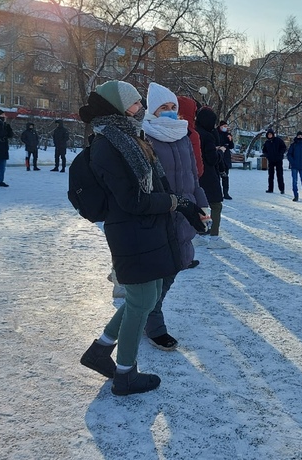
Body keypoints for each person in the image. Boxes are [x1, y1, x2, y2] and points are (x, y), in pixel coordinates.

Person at [77, 80, 201, 396]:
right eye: (133, 104)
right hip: (130, 232)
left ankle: (101, 350)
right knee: (143, 300)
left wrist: (182, 203)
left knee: (144, 295)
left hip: (144, 230)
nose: (139, 108)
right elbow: (134, 200)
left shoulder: (127, 137)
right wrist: (174, 202)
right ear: (116, 107)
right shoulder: (110, 143)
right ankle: (126, 373)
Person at [142, 82, 209, 350]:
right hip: (159, 215)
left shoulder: (183, 136)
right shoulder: (145, 137)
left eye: (173, 107)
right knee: (156, 273)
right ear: (152, 111)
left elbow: (193, 178)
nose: (170, 112)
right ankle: (153, 323)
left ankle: (150, 313)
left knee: (175, 267)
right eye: (163, 108)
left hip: (186, 214)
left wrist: (202, 208)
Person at [196, 106, 231, 249]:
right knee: (216, 205)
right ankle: (214, 237)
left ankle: (198, 233)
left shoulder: (195, 132)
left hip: (197, 174)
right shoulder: (208, 136)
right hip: (209, 174)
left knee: (201, 204)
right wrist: (220, 152)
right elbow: (212, 158)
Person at [286, 131, 302, 202]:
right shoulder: (293, 145)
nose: (300, 137)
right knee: (294, 182)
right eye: (299, 136)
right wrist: (292, 162)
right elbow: (289, 154)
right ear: (297, 136)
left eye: (301, 136)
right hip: (294, 166)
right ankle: (295, 196)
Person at [262, 128, 287, 194]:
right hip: (271, 160)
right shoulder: (267, 142)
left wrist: (280, 154)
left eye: (271, 134)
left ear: (273, 134)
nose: (270, 135)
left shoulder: (278, 140)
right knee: (270, 175)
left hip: (278, 160)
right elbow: (264, 150)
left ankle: (282, 189)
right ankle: (270, 189)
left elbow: (284, 147)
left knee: (279, 175)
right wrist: (267, 155)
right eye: (268, 134)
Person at [217, 120, 234, 200]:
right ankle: (217, 193)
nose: (225, 128)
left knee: (225, 176)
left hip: (226, 158)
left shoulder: (228, 135)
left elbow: (231, 146)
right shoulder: (216, 133)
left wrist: (230, 140)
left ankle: (226, 193)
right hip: (218, 157)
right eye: (224, 126)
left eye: (226, 126)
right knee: (217, 177)